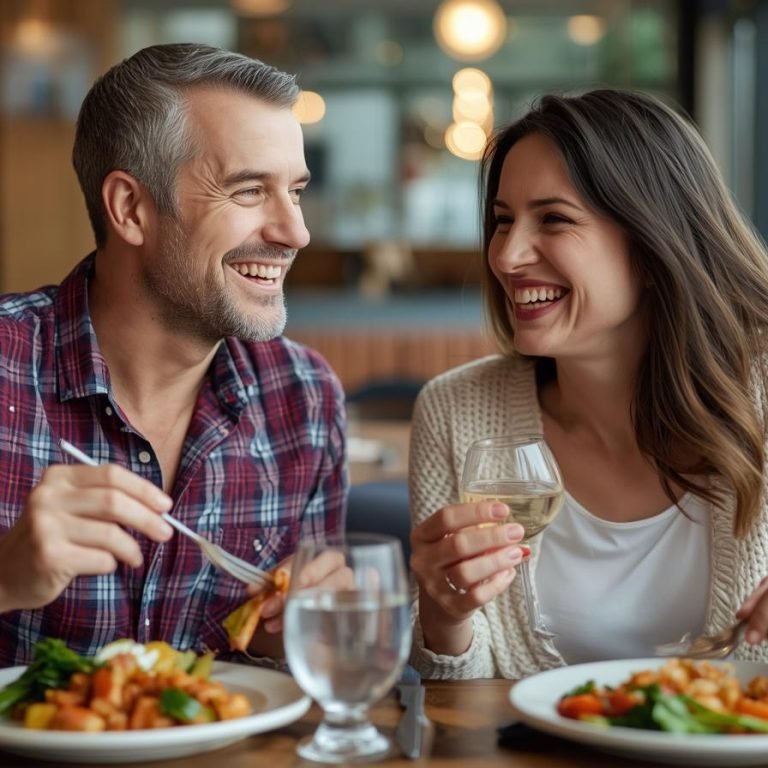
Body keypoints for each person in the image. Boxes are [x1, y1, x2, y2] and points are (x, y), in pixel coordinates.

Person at [0, 43, 347, 665]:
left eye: (295, 191)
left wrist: (298, 636)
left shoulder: (305, 399)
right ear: (131, 209)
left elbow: (312, 668)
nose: (296, 232)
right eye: (249, 191)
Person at [408, 88, 768, 679]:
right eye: (503, 221)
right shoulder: (457, 410)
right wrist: (445, 614)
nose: (507, 256)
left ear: (653, 246)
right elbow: (461, 694)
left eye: (553, 219)